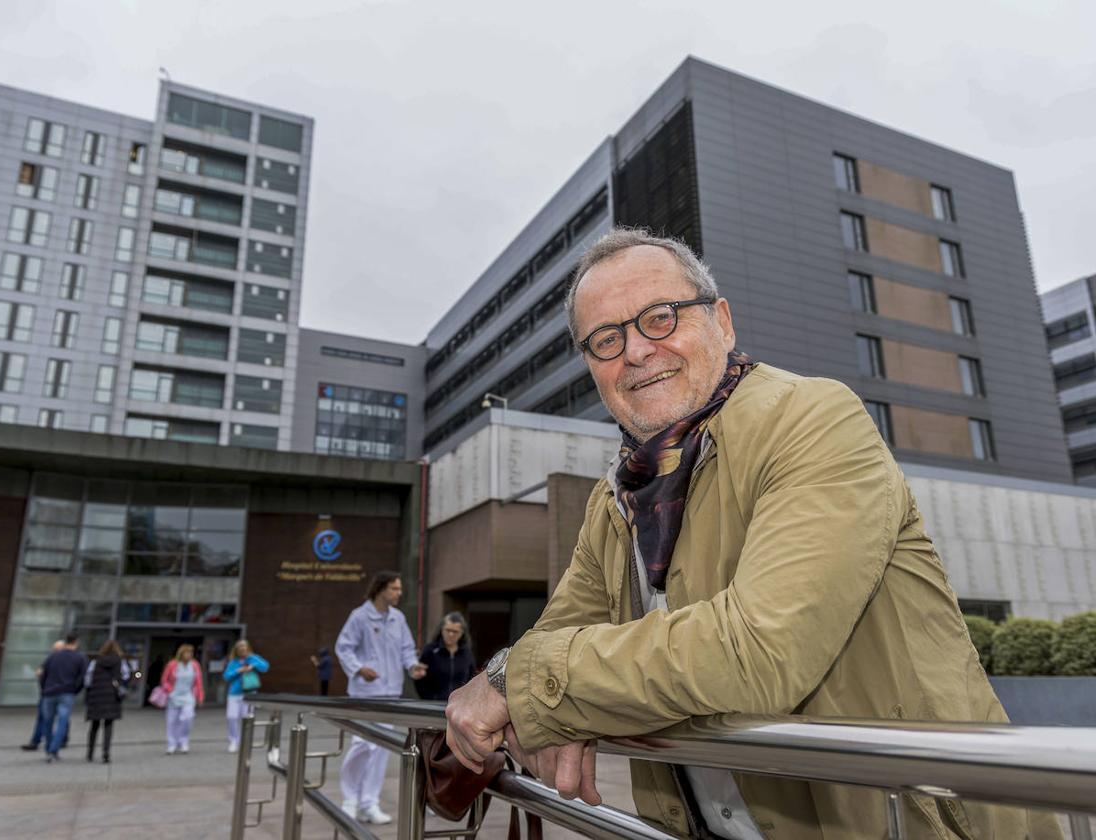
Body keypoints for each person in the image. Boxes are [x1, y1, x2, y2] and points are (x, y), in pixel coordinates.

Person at [444, 228, 1062, 839]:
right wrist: (551, 704)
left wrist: (517, 684)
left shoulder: (813, 418)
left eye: (660, 317)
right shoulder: (616, 497)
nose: (635, 352)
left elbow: (760, 652)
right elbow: (562, 634)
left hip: (907, 820)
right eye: (606, 339)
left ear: (722, 321)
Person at [334, 572, 427, 824]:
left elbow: (407, 649)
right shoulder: (359, 616)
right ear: (381, 589)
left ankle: (369, 803)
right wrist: (358, 668)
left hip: (391, 693)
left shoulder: (398, 618)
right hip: (365, 693)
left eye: (399, 588)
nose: (399, 593)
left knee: (381, 749)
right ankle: (350, 800)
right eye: (395, 588)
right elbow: (343, 647)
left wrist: (412, 666)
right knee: (361, 745)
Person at [39, 633, 87, 763]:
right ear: (76, 642)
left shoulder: (53, 656)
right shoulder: (80, 658)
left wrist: (44, 689)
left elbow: (43, 674)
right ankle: (54, 750)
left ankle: (49, 748)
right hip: (67, 693)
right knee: (62, 722)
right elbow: (82, 677)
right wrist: (75, 690)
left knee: (48, 722)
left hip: (49, 692)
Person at [83, 640, 130, 764]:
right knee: (108, 725)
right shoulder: (120, 661)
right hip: (111, 695)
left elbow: (88, 679)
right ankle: (106, 753)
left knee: (94, 725)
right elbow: (126, 675)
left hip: (97, 695)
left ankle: (90, 753)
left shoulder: (96, 661)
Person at [414, 612, 476, 702]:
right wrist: (429, 699)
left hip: (459, 706)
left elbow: (471, 680)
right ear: (441, 630)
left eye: (455, 632)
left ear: (462, 633)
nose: (451, 634)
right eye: (448, 630)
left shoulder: (466, 654)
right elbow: (419, 679)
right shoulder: (430, 651)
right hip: (433, 705)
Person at [223, 639, 269, 753]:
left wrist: (253, 665)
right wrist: (238, 671)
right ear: (237, 650)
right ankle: (234, 740)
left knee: (247, 718)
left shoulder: (253, 658)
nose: (243, 650)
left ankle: (245, 741)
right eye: (240, 648)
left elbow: (265, 667)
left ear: (248, 648)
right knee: (231, 717)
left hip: (249, 694)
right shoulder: (233, 662)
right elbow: (226, 676)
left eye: (244, 647)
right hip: (234, 694)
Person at [21, 640, 66, 752]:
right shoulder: (50, 659)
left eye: (57, 649)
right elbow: (39, 672)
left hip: (59, 692)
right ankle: (36, 741)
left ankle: (61, 739)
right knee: (43, 717)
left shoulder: (65, 661)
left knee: (61, 717)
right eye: (54, 649)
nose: (54, 651)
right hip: (48, 692)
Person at [160, 643, 205, 754]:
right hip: (174, 696)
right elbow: (164, 680)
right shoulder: (173, 664)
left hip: (188, 695)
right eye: (186, 653)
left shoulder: (194, 665)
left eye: (190, 653)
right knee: (172, 721)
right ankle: (172, 744)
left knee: (188, 718)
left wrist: (200, 696)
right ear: (181, 653)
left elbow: (199, 682)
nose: (189, 655)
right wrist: (169, 691)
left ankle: (183, 741)